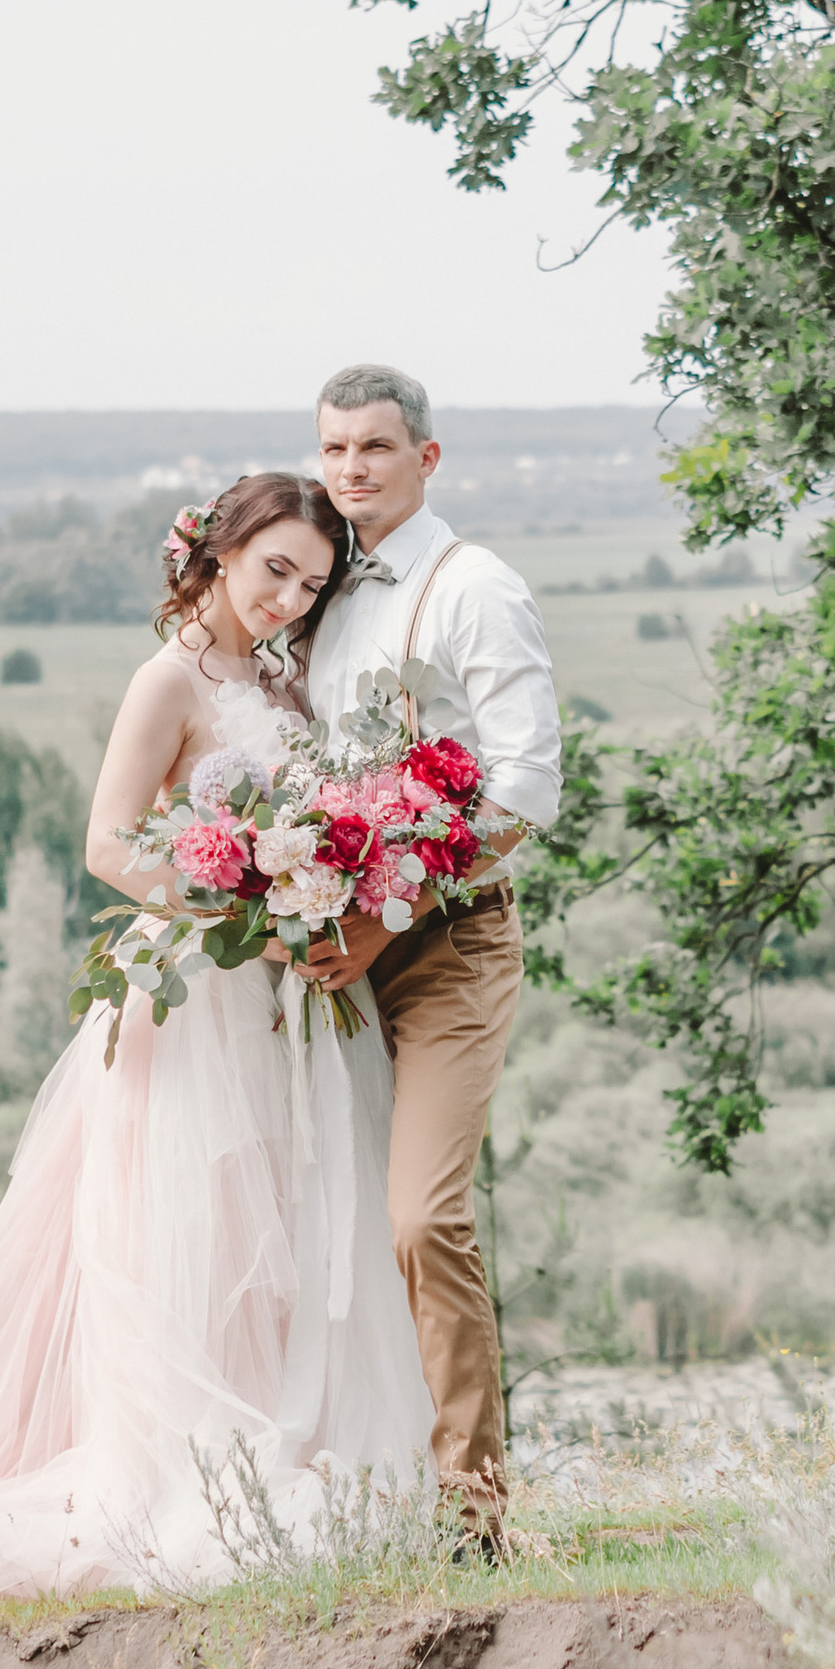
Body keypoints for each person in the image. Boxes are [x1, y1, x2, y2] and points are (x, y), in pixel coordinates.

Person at [0, 473, 433, 1669]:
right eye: (273, 571)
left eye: (311, 583)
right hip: (201, 993)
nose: (289, 598)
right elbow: (108, 844)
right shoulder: (170, 682)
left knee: (299, 1217)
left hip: (286, 992)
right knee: (200, 1229)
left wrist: (318, 890)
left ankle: (291, 1441)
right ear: (216, 555)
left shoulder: (276, 684)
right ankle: (187, 1467)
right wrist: (240, 911)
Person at [300, 366, 561, 1548]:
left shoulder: (477, 590)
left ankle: (473, 1512)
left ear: (428, 457)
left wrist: (392, 914)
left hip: (449, 943)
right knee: (317, 1223)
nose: (352, 470)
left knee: (421, 1219)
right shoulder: (322, 591)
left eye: (375, 449)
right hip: (332, 949)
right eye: (335, 450)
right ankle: (340, 1496)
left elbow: (525, 791)